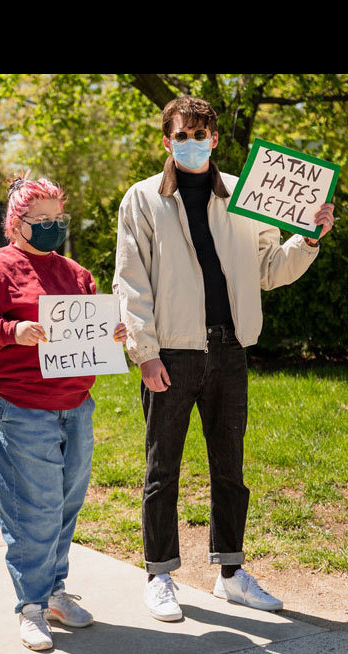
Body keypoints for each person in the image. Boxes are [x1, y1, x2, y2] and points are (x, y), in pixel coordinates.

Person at [112, 96, 336, 623]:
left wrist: (308, 238)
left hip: (230, 350)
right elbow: (131, 281)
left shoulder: (246, 192)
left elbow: (269, 268)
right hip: (170, 352)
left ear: (215, 138)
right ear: (166, 141)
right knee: (161, 469)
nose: (192, 143)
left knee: (229, 471)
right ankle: (160, 574)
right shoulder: (141, 199)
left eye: (201, 134)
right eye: (181, 135)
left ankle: (230, 574)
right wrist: (143, 353)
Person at [0, 173, 127, 651]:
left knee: (67, 504)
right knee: (35, 509)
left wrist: (112, 336)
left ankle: (53, 592)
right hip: (21, 405)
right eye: (41, 219)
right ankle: (29, 607)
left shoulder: (75, 274)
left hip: (76, 404)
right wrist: (14, 333)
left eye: (58, 218)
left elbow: (93, 326)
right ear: (17, 222)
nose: (52, 226)